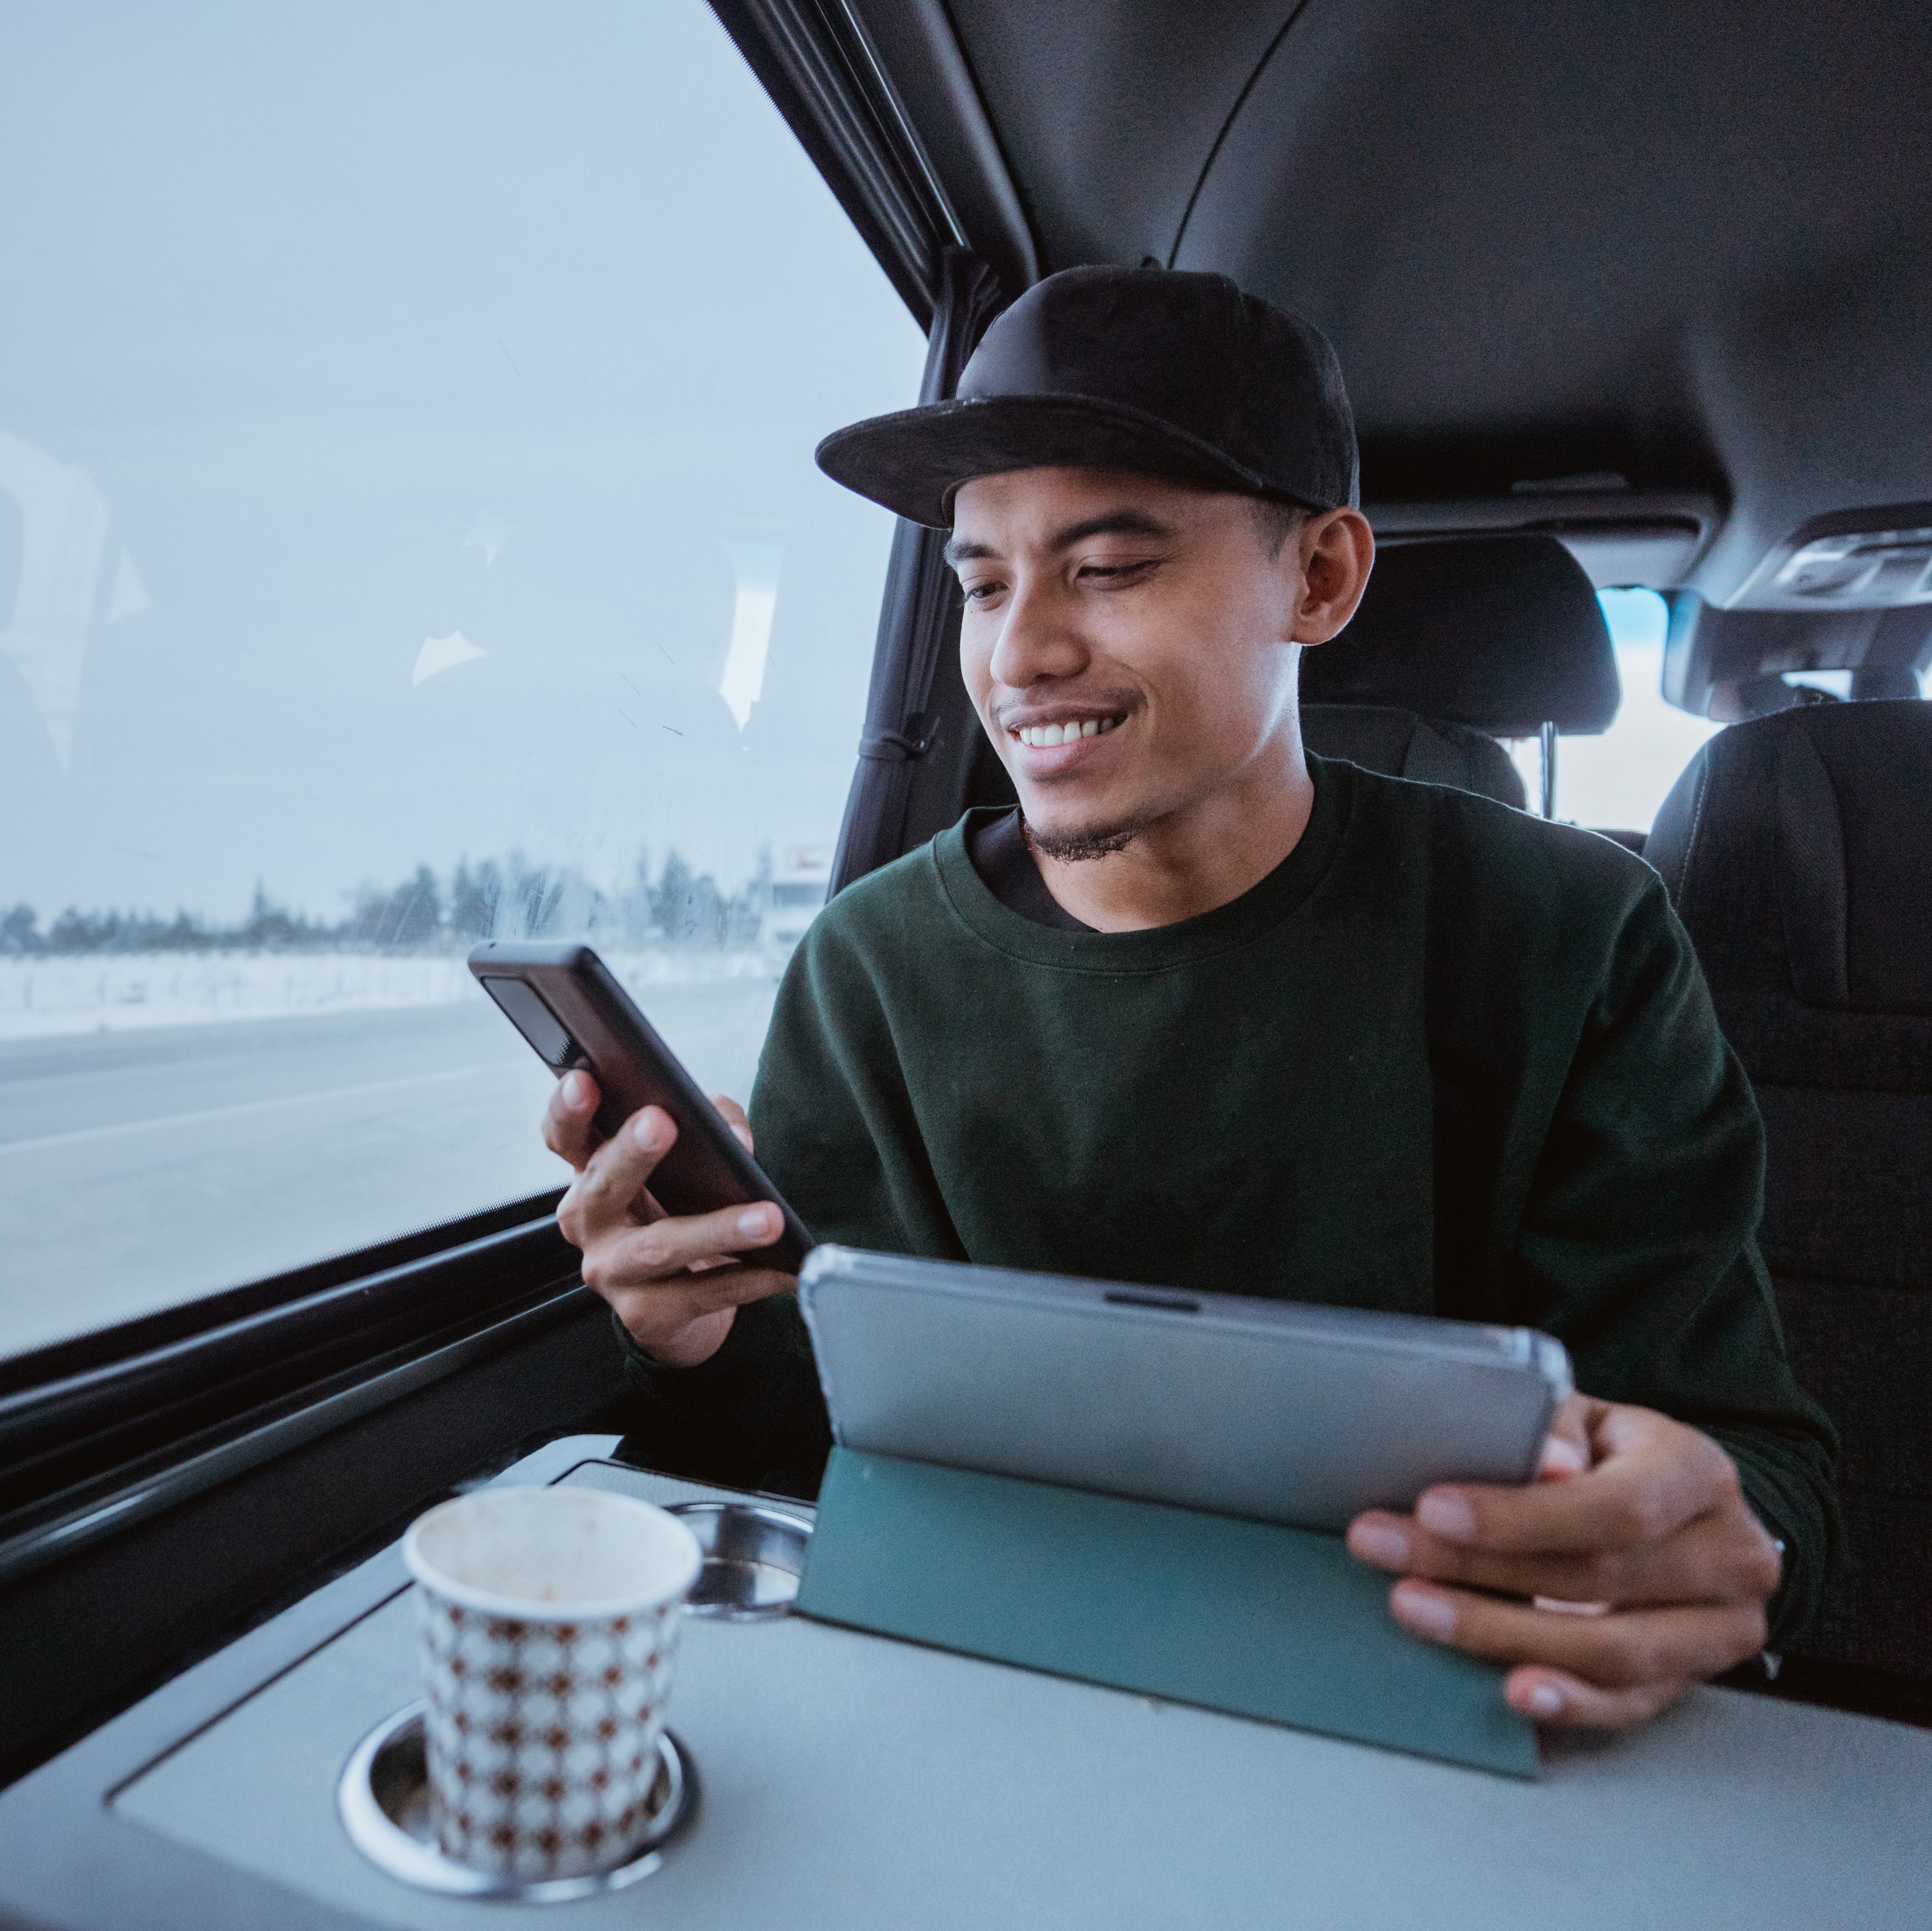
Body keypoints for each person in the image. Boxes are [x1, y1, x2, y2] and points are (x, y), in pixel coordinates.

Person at [540, 266, 1836, 1734]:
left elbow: (1747, 1466)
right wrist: (693, 1341)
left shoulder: (1568, 939)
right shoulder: (867, 967)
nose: (1017, 652)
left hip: (1430, 1705)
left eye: (1106, 567)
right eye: (978, 582)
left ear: (1322, 578)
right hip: (989, 1693)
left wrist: (1720, 1553)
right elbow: (816, 1438)